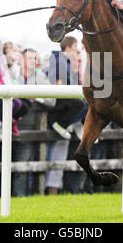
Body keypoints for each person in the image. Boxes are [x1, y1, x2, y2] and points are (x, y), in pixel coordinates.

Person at [12, 48, 57, 196]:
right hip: (8, 125)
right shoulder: (14, 74)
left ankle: (21, 196)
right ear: (22, 60)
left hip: (30, 126)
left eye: (34, 58)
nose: (33, 61)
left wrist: (36, 97)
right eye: (30, 58)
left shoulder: (41, 76)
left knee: (24, 161)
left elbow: (52, 100)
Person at [44, 36, 85, 195]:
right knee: (80, 103)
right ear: (68, 47)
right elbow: (57, 81)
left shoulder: (65, 60)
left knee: (85, 102)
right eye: (75, 47)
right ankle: (62, 124)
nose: (77, 50)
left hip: (64, 101)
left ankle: (74, 124)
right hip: (57, 104)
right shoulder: (58, 57)